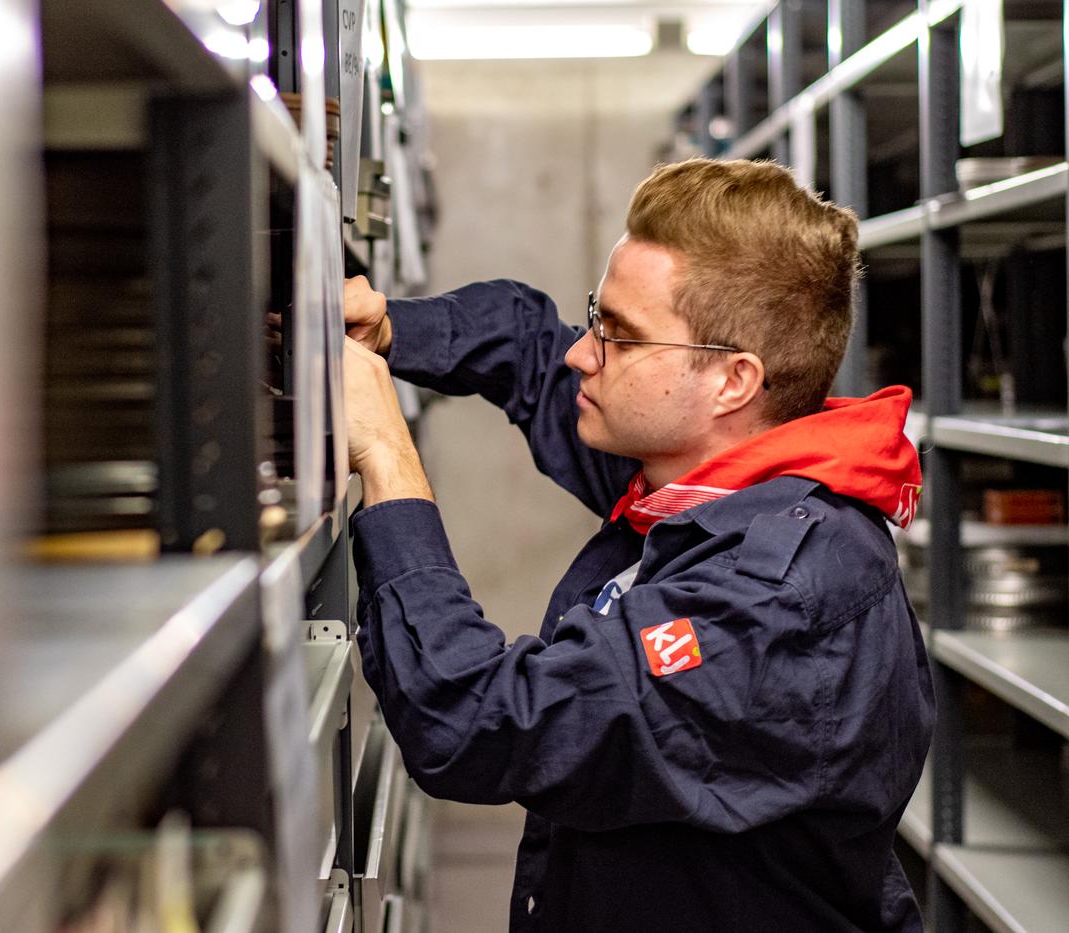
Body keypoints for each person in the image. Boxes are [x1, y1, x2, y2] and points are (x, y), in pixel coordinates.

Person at [340, 158, 935, 932]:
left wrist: (386, 453)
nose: (583, 354)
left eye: (618, 336)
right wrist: (392, 329)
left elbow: (480, 720)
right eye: (597, 318)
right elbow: (528, 348)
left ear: (732, 381)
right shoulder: (703, 471)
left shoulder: (774, 605)